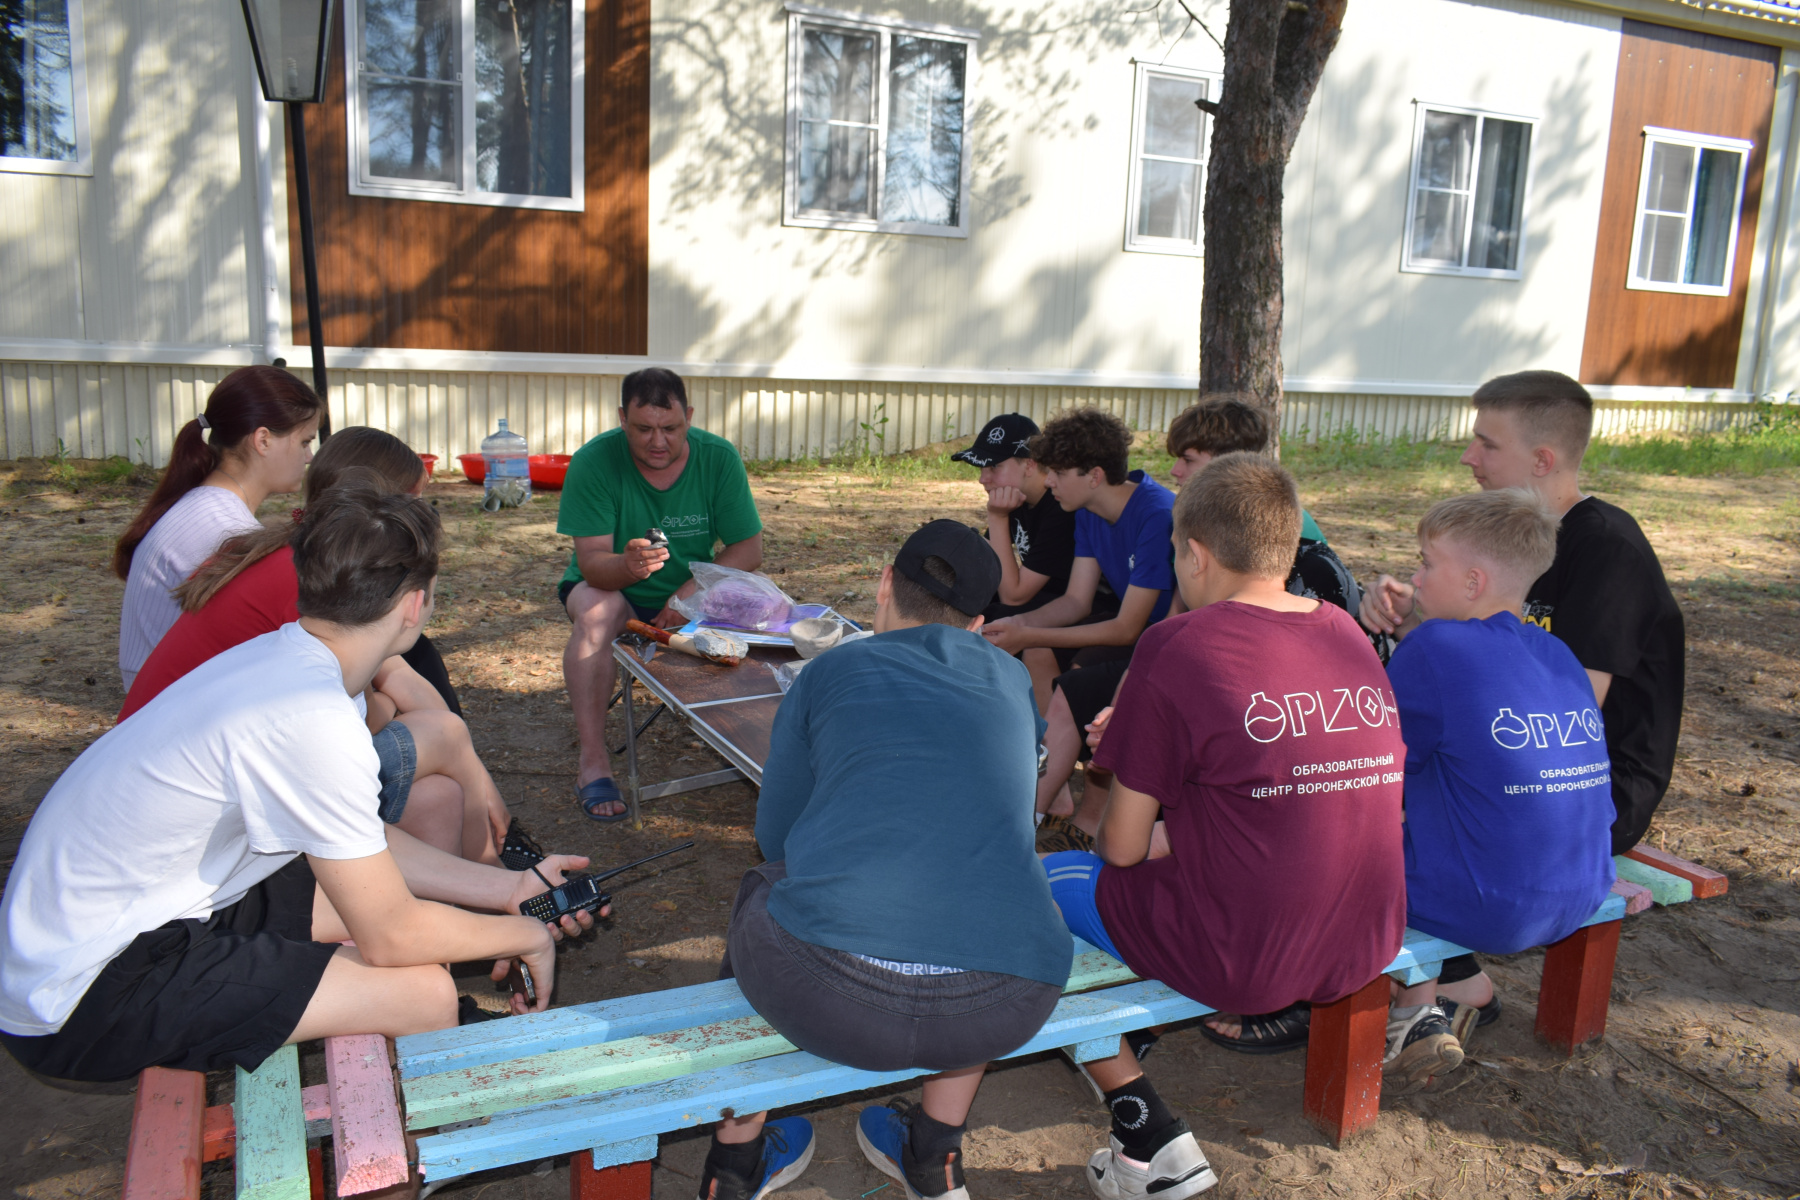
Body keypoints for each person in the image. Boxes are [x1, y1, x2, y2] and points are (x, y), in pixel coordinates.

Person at [0, 478, 599, 1083]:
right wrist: (527, 934)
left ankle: (422, 1051)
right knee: (424, 992)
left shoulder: (288, 659)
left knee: (399, 924)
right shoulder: (314, 716)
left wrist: (509, 889)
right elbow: (390, 935)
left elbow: (359, 840)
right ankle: (422, 1126)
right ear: (415, 605)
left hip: (120, 920)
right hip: (84, 992)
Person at [1042, 453, 1404, 1197]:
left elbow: (1120, 847)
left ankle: (1144, 1129)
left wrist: (1126, 765)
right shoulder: (1343, 630)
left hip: (1245, 958)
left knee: (1028, 887)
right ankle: (1136, 1042)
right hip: (1365, 936)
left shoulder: (1180, 645)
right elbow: (1278, 793)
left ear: (1195, 555)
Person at [693, 521, 1070, 1200]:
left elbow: (777, 837)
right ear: (977, 624)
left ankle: (734, 1162)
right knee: (986, 884)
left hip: (828, 997)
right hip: (1000, 1002)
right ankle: (934, 1153)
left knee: (765, 884)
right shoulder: (1014, 678)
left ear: (886, 583)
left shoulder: (831, 670)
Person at [119, 430, 523, 865]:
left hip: (195, 762)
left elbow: (399, 684)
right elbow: (361, 716)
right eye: (416, 502)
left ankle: (492, 874)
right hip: (201, 786)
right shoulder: (312, 580)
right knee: (445, 736)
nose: (422, 515)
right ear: (378, 510)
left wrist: (441, 744)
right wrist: (398, 713)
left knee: (437, 791)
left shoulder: (309, 556)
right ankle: (500, 867)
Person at [1360, 370, 1685, 855]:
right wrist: (1411, 622)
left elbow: (1566, 713)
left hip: (1586, 796)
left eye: (1487, 444)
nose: (1468, 457)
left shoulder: (1607, 550)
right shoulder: (1513, 540)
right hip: (1518, 766)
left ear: (1542, 460)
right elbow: (1490, 669)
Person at [1378, 490, 1616, 1090]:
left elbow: (1373, 766)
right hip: (1582, 889)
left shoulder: (1433, 648)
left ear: (1473, 582)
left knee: (1341, 833)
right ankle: (1443, 992)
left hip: (1492, 907)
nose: (1415, 577)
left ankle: (1407, 1013)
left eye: (1427, 563)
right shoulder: (1558, 652)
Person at [557, 369, 764, 822]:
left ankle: (761, 749)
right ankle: (593, 761)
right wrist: (626, 566)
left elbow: (749, 549)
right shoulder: (594, 461)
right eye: (642, 428)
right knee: (596, 610)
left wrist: (687, 593)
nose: (657, 442)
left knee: (761, 604)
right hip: (614, 590)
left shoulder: (717, 457)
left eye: (670, 428)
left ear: (689, 416)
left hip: (688, 594)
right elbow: (591, 563)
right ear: (621, 419)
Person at [980, 410, 1175, 818]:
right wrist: (1019, 625)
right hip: (1130, 627)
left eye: (1057, 472)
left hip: (1166, 640)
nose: (1048, 481)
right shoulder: (1086, 510)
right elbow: (1076, 602)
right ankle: (1053, 781)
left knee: (1070, 685)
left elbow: (1128, 629)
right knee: (1037, 650)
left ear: (1094, 475)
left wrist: (1029, 632)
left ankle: (1023, 818)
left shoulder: (1156, 514)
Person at [114, 365, 323, 688]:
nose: (309, 457)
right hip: (173, 701)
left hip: (171, 694)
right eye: (304, 442)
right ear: (263, 440)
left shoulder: (206, 505)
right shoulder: (223, 529)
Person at [1166, 396, 1360, 614]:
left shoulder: (1282, 525)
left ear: (1226, 461)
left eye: (1188, 459)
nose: (1175, 470)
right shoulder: (1199, 516)